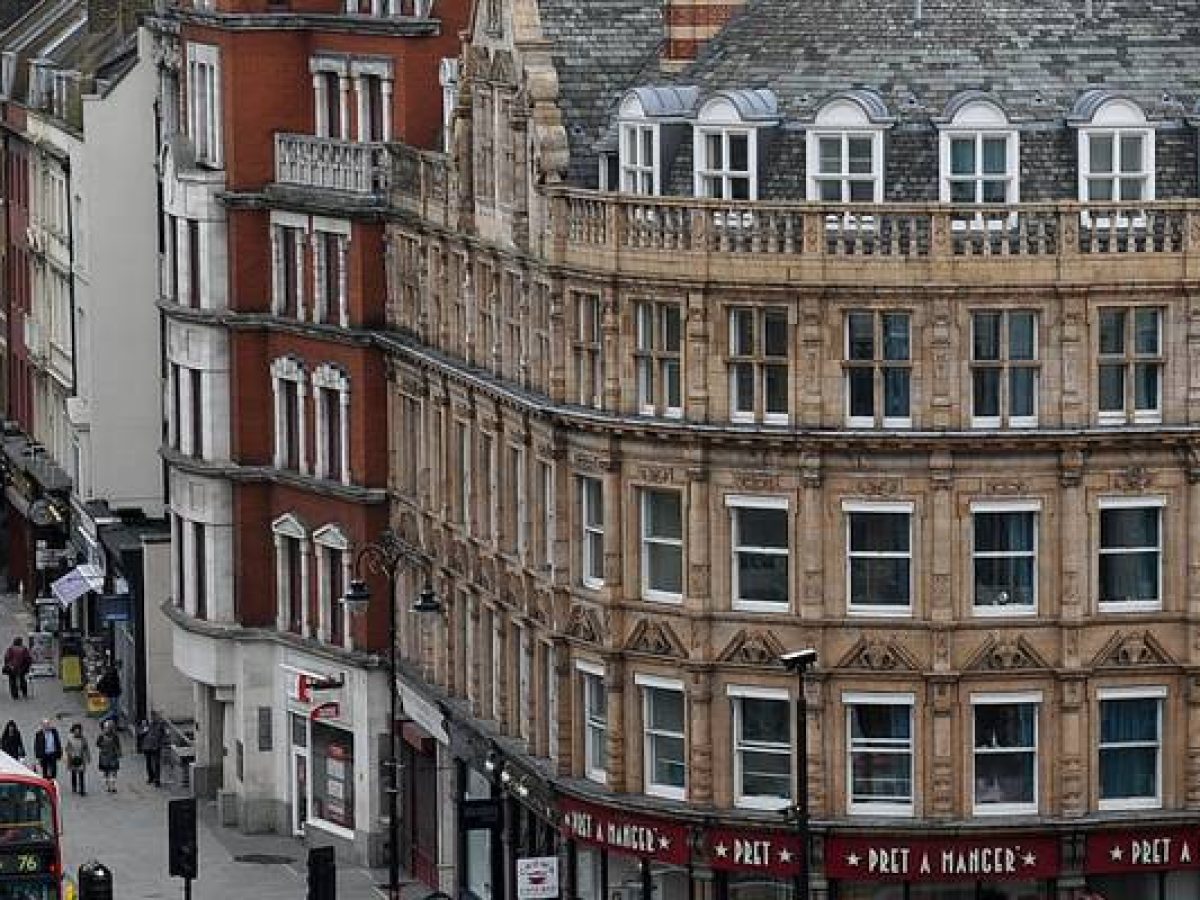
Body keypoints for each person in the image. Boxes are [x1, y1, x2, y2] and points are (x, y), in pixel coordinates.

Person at [136, 711, 168, 787]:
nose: (153, 718)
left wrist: (162, 743)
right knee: (149, 763)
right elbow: (140, 733)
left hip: (156, 746)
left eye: (155, 716)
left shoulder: (161, 724)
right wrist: (144, 730)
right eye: (152, 717)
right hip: (147, 746)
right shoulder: (146, 724)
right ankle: (151, 777)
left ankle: (157, 780)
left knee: (156, 764)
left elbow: (164, 735)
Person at [95, 720, 121, 793]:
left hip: (113, 755)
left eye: (110, 727)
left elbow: (118, 745)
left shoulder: (115, 735)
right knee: (106, 771)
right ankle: (108, 786)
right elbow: (97, 744)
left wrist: (118, 753)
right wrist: (103, 747)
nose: (108, 729)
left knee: (113, 771)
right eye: (107, 727)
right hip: (104, 755)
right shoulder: (101, 736)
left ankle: (113, 786)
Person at [64, 724, 90, 796]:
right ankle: (74, 787)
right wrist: (70, 754)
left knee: (81, 774)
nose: (77, 732)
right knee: (74, 773)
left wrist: (88, 757)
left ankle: (82, 790)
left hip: (81, 758)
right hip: (72, 759)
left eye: (78, 731)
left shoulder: (83, 739)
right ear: (73, 731)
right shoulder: (70, 739)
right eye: (76, 731)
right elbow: (67, 748)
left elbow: (86, 748)